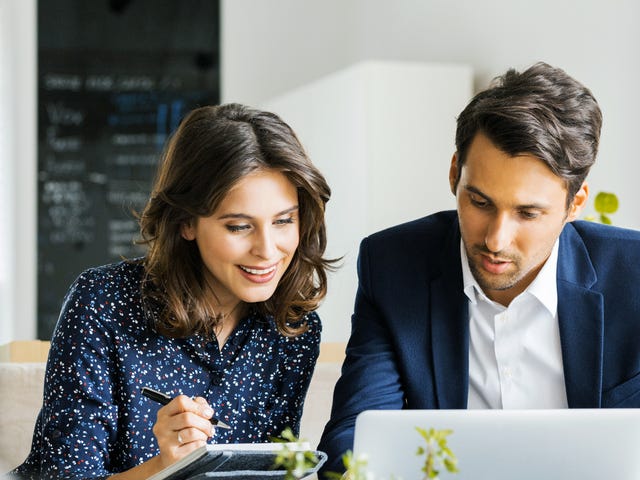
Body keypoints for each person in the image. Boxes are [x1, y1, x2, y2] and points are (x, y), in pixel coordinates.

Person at [317, 62, 640, 475]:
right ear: (455, 174)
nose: (496, 240)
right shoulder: (395, 265)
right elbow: (353, 437)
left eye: (528, 213)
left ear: (574, 206)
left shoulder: (632, 275)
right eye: (480, 202)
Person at [10, 103, 335, 479]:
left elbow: (274, 471)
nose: (267, 250)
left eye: (283, 221)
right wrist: (164, 467)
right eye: (239, 227)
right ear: (186, 223)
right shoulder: (102, 303)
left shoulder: (295, 330)